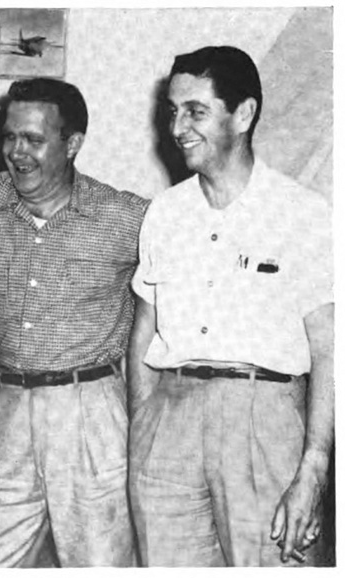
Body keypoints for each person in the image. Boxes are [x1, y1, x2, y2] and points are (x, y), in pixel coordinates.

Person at [127, 46, 334, 567]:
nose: (178, 128)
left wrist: (314, 465)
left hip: (263, 419)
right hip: (168, 420)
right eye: (173, 111)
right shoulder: (165, 213)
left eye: (195, 111)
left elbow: (331, 348)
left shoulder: (303, 214)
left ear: (243, 114)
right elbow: (144, 329)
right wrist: (144, 426)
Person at [0, 78, 146, 567]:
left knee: (101, 563)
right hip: (4, 409)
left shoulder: (126, 218)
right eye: (10, 137)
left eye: (33, 139)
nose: (17, 152)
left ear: (72, 144)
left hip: (91, 413)